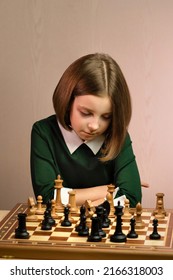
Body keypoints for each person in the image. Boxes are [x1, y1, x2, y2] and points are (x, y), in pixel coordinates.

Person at [30, 53, 142, 208]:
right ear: (68, 100)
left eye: (106, 116)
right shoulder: (44, 132)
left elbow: (131, 197)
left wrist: (73, 200)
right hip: (61, 230)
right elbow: (47, 197)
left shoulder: (117, 136)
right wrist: (107, 190)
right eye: (86, 113)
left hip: (106, 230)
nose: (95, 126)